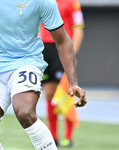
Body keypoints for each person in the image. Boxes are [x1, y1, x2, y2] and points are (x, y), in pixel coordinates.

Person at [0, 0, 87, 149]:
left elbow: (63, 40)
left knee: (25, 112)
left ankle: (65, 136)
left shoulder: (43, 2)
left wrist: (73, 82)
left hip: (26, 63)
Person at [39, 0, 85, 147]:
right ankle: (53, 135)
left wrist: (72, 55)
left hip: (62, 48)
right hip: (45, 49)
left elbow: (78, 29)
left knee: (67, 92)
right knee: (49, 93)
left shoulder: (72, 2)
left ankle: (68, 136)